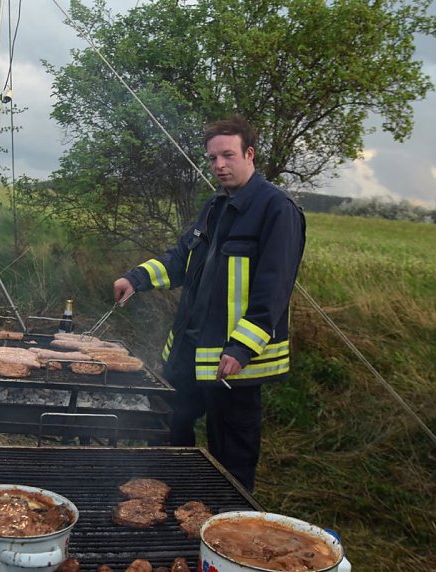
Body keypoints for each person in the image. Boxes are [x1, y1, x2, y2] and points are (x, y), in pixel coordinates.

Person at [113, 116, 306, 492]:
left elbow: (273, 291)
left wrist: (242, 348)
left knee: (231, 455)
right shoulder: (215, 205)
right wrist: (134, 279)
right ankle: (164, 500)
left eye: (228, 155)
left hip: (234, 365)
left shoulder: (277, 210)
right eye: (213, 158)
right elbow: (181, 258)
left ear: (249, 154)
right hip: (190, 352)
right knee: (166, 430)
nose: (219, 165)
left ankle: (226, 521)